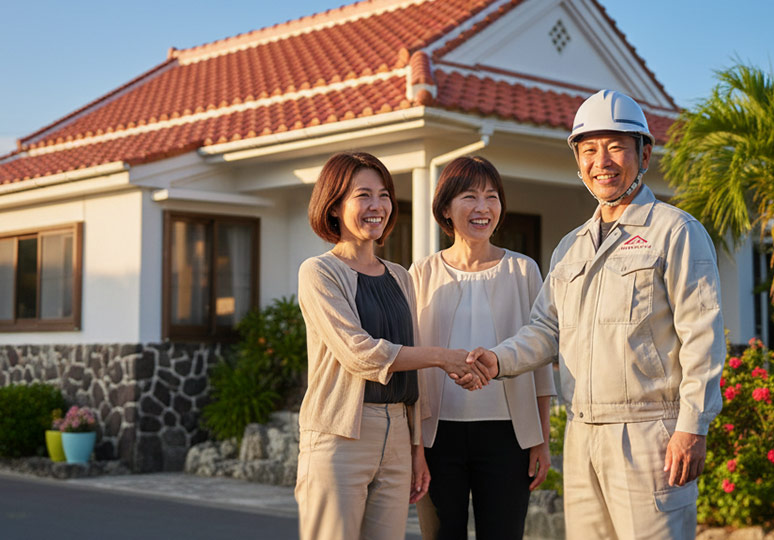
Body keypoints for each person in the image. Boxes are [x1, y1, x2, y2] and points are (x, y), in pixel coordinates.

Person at [468, 90, 726, 540]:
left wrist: (692, 426)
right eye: (588, 149)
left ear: (643, 154)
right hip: (582, 433)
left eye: (614, 146)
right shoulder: (571, 247)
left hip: (651, 434)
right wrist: (498, 360)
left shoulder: (677, 231)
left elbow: (702, 335)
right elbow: (545, 329)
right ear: (578, 160)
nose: (600, 161)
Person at [296, 151, 490, 540]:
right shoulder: (319, 272)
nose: (377, 206)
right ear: (333, 207)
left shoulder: (400, 276)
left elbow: (410, 371)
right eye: (363, 195)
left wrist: (417, 448)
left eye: (384, 195)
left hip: (398, 435)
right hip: (340, 436)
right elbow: (361, 353)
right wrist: (442, 357)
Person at [409, 156, 556, 540]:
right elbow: (410, 362)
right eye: (470, 197)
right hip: (437, 437)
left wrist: (541, 438)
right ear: (445, 208)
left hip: (509, 437)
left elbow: (539, 359)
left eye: (492, 197)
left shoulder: (523, 270)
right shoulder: (421, 273)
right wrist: (414, 446)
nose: (483, 208)